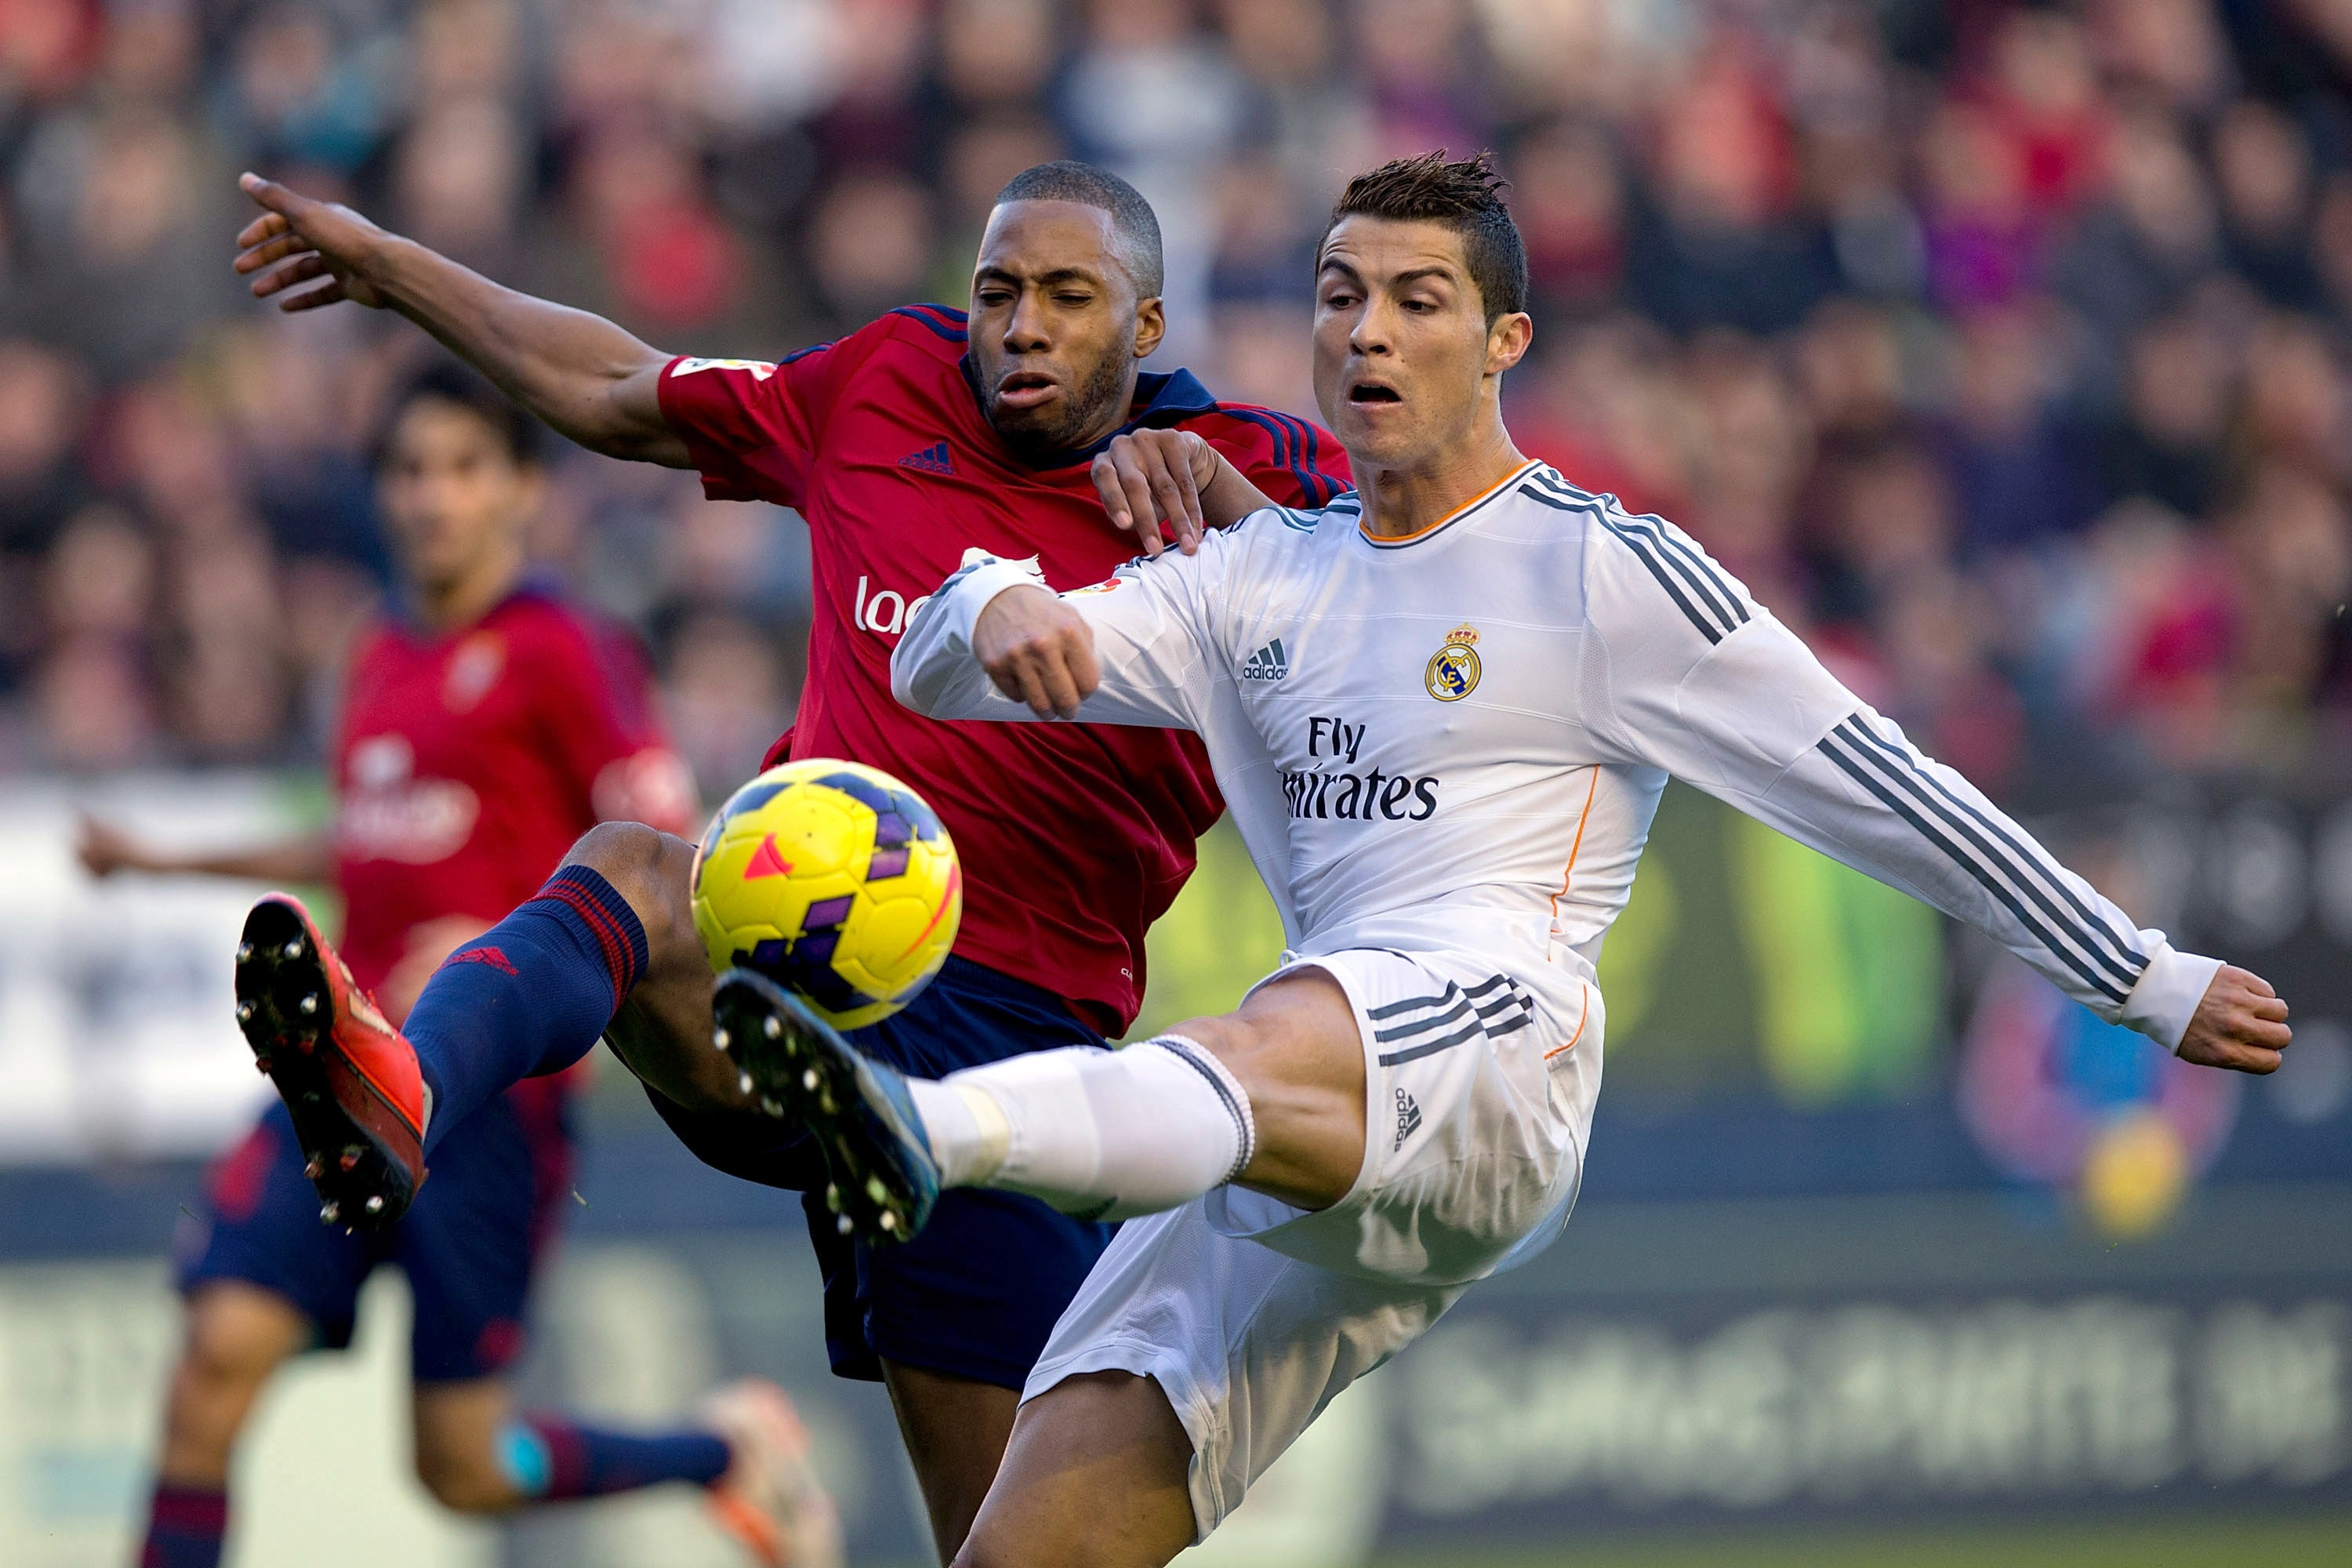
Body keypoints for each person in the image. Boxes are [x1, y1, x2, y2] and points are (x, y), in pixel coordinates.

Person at [720, 151, 2297, 1567]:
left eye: (1419, 301)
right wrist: (984, 595)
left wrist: (2141, 975)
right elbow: (953, 666)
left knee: (1264, 1034)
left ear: (1503, 342)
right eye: (1340, 296)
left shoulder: (1603, 571)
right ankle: (932, 1137)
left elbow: (1884, 788)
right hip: (1319, 1134)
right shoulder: (1253, 575)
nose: (1369, 333)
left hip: (1494, 1052)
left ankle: (918, 1127)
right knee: (1025, 1546)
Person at [222, 158, 1347, 1557]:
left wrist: (1231, 499)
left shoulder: (1255, 472)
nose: (1023, 326)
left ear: (1149, 324)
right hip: (792, 969)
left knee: (1003, 1544)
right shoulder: (884, 382)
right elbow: (615, 386)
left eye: (1069, 296)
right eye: (999, 291)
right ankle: (406, 1088)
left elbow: (1415, 631)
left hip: (1009, 1049)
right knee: (637, 870)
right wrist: (390, 267)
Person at [82, 363, 837, 1568]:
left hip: (491, 1104)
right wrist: (165, 863)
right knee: (214, 1355)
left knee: (462, 1468)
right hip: (343, 1074)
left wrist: (495, 934)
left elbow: (664, 866)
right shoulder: (377, 650)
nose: (432, 497)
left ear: (521, 490)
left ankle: (724, 1452)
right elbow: (368, 839)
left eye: (463, 468)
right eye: (409, 470)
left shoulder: (564, 649)